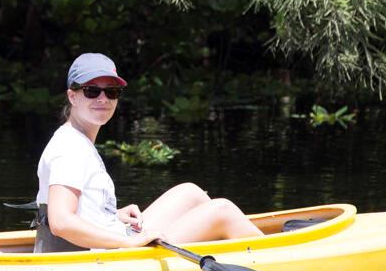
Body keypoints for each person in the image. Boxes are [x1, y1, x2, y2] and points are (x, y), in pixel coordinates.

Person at [35, 52, 264, 251]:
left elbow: (77, 210)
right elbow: (61, 221)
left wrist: (111, 216)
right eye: (92, 91)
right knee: (221, 210)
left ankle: (231, 249)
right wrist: (131, 243)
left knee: (190, 192)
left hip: (112, 241)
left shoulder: (77, 140)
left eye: (111, 91)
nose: (103, 99)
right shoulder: (70, 148)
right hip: (105, 257)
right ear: (72, 96)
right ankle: (274, 258)